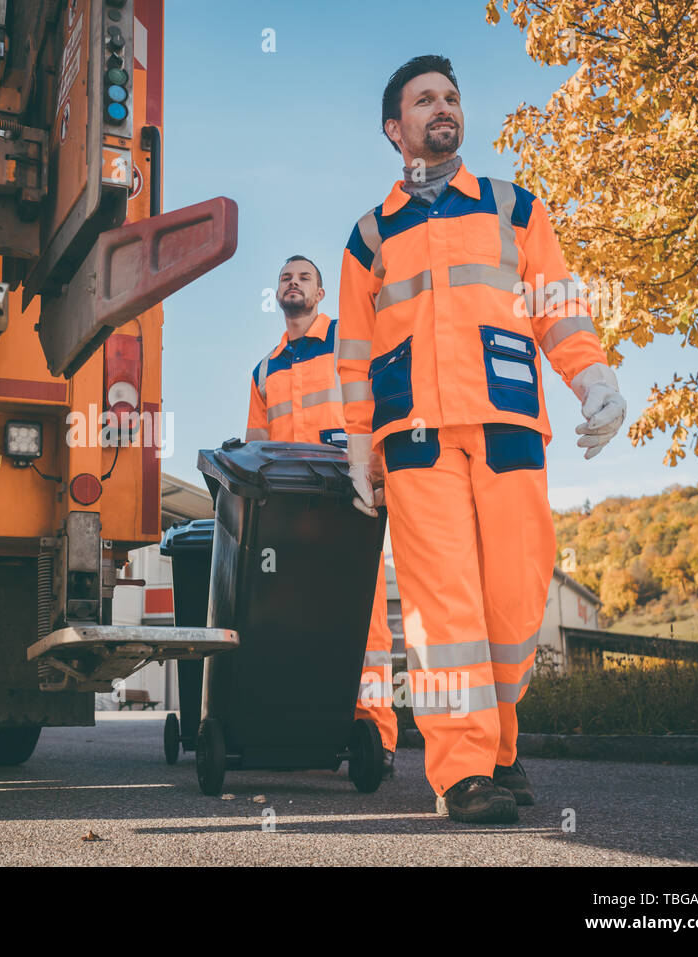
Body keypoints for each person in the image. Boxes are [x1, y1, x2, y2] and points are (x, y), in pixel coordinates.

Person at [335, 55, 626, 823]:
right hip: (417, 444)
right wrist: (360, 448)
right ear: (395, 129)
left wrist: (593, 377)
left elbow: (558, 307)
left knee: (516, 598)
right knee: (443, 608)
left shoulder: (515, 208)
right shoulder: (369, 237)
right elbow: (354, 356)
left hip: (507, 429)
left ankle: (500, 745)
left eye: (452, 97)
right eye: (425, 99)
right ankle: (462, 771)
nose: (443, 107)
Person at [246, 255, 398, 777]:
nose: (294, 283)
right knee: (297, 618)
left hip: (350, 495)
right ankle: (305, 728)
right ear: (277, 292)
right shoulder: (265, 369)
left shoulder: (349, 344)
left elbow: (381, 405)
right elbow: (255, 446)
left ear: (321, 291)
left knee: (366, 619)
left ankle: (375, 732)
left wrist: (378, 474)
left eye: (303, 277)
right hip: (290, 509)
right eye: (285, 277)